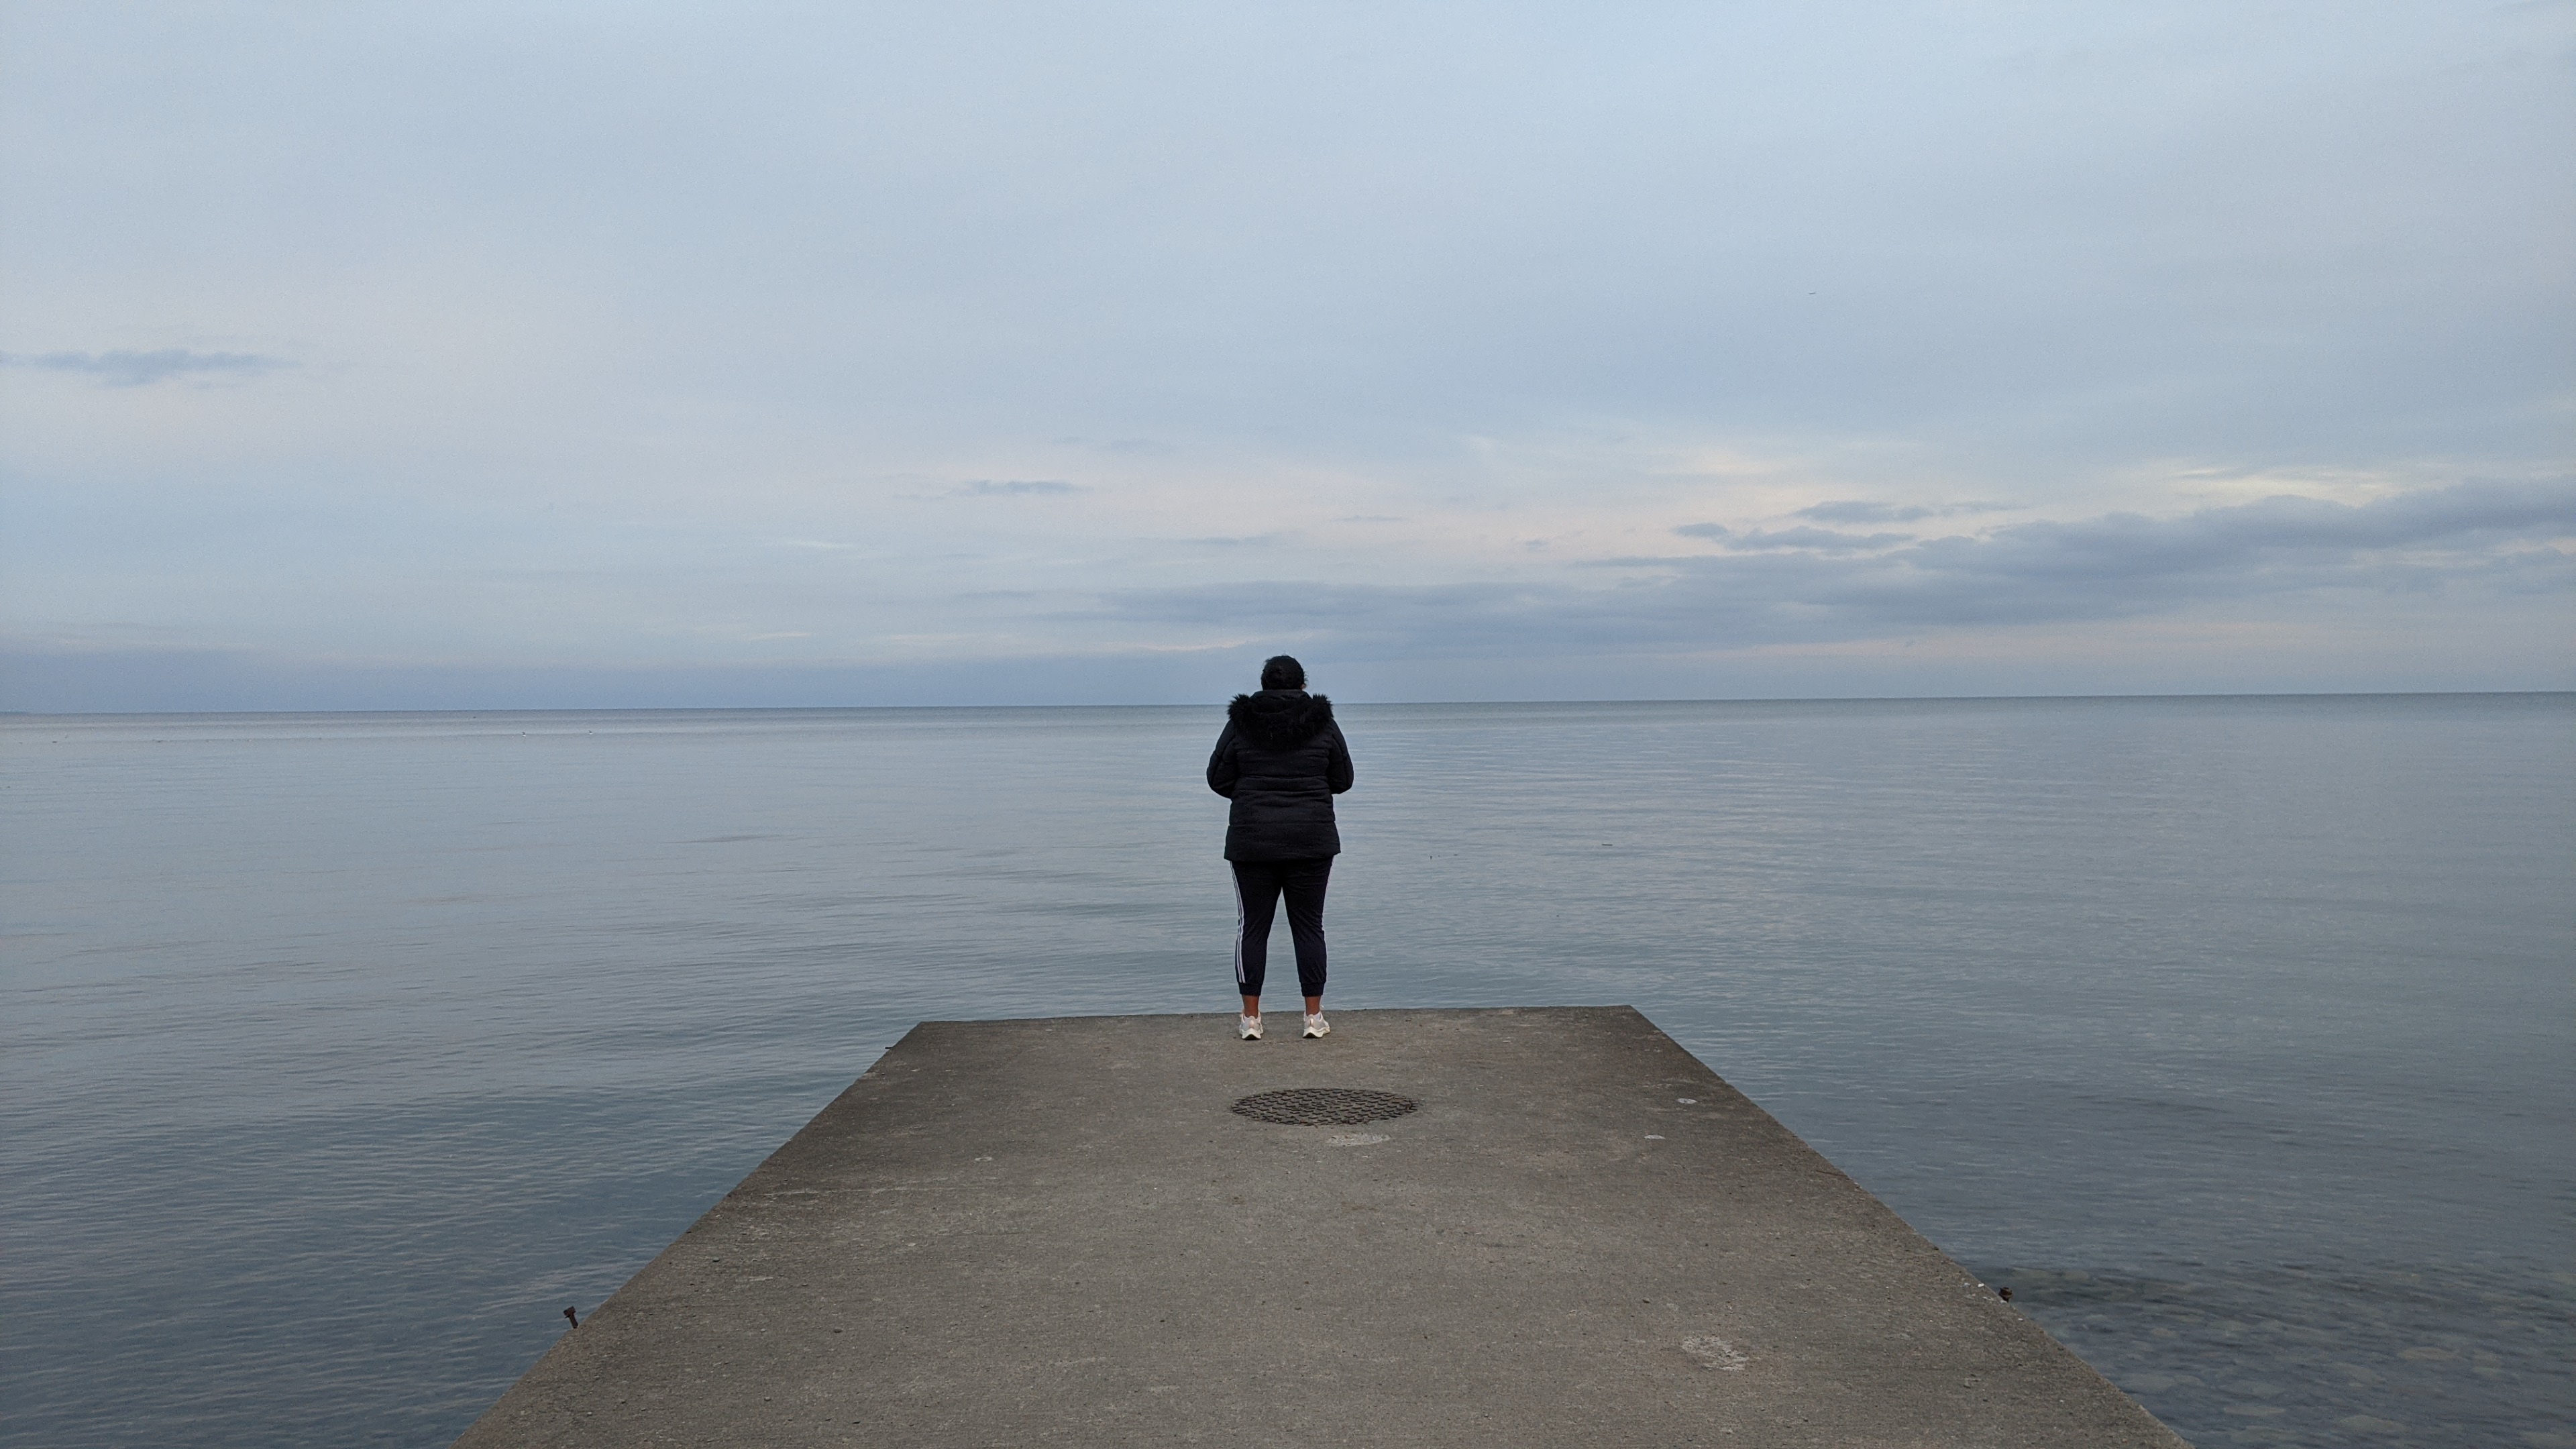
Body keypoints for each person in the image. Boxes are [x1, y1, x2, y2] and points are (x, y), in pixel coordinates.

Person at [1205, 655, 1354, 1041]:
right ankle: (1313, 1018)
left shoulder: (1241, 722)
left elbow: (1217, 778)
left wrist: (1251, 794)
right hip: (1312, 839)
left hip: (1252, 839)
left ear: (1263, 685)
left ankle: (1251, 1019)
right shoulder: (1323, 722)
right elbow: (1343, 779)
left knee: (1252, 927)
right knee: (1310, 927)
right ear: (1302, 685)